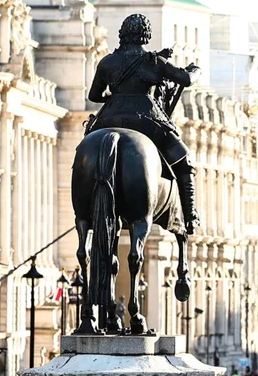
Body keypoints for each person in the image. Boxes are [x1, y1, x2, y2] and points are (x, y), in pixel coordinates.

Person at [86, 13, 202, 232]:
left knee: (87, 148)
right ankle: (190, 215)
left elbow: (94, 96)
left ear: (123, 33)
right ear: (146, 35)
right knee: (184, 159)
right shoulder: (154, 61)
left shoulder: (107, 62)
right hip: (147, 121)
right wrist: (195, 71)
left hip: (108, 119)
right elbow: (185, 80)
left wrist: (113, 98)